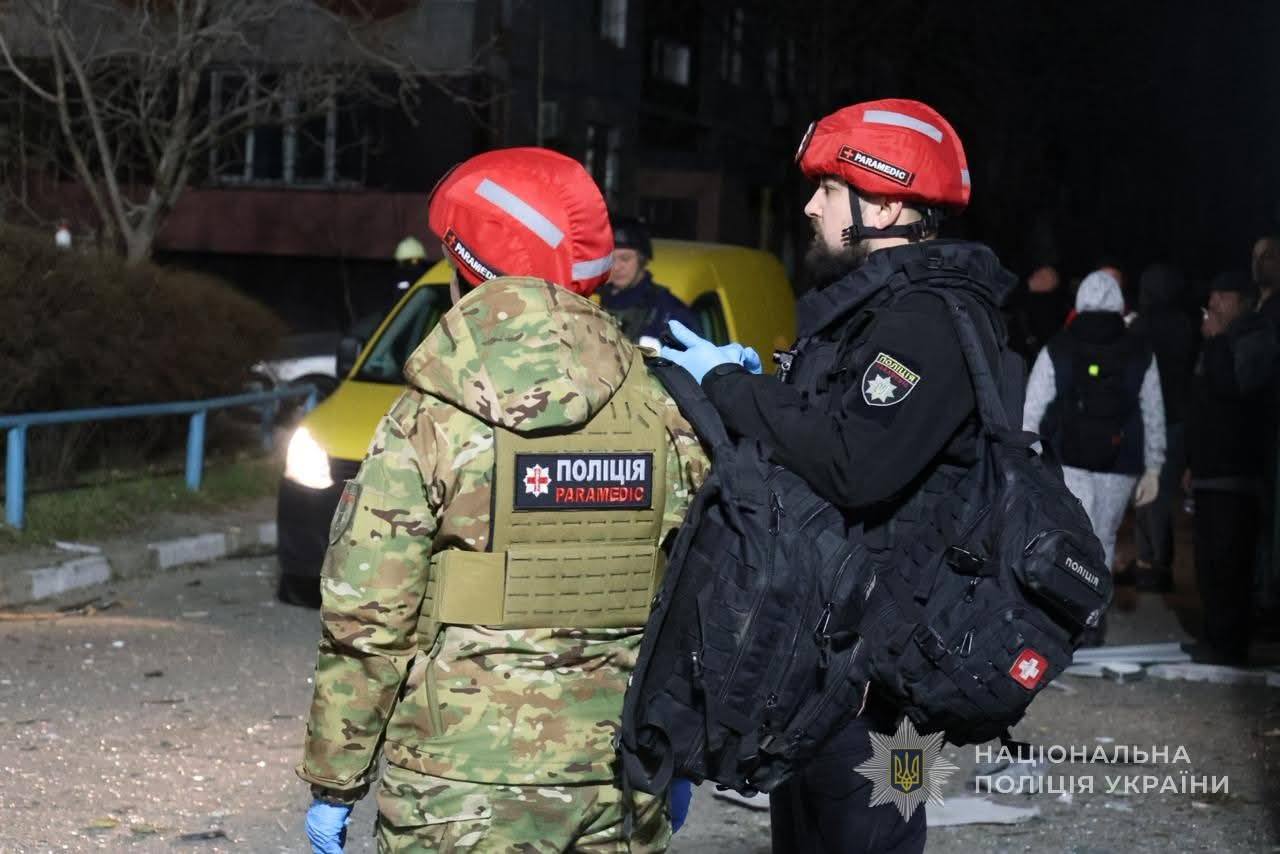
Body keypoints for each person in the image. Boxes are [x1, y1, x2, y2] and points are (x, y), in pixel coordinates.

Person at [297, 147, 709, 853]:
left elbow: (367, 620)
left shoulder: (431, 420)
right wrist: (685, 752)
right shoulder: (665, 411)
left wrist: (335, 781)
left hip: (455, 794)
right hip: (618, 784)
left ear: (469, 271)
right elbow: (702, 597)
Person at [660, 98, 1016, 854]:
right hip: (836, 660)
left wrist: (731, 387)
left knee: (883, 830)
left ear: (884, 205)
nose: (811, 206)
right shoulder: (880, 309)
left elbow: (854, 463)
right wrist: (770, 391)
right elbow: (834, 428)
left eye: (829, 188)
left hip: (893, 687)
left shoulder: (927, 318)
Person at [1023, 270, 1166, 580]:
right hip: (1121, 462)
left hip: (1066, 460)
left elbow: (1034, 406)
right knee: (1104, 538)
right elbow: (1153, 410)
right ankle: (1097, 602)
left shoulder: (1058, 346)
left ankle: (1067, 600)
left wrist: (1030, 456)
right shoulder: (1140, 351)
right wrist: (1154, 467)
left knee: (1070, 538)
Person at [1185, 271, 1278, 664]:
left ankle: (1229, 645)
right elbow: (1201, 404)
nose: (1214, 303)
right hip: (1210, 469)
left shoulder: (1257, 338)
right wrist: (1191, 462)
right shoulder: (1218, 340)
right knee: (1208, 561)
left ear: (1243, 301)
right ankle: (1214, 637)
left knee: (1230, 562)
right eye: (1213, 295)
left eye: (1223, 296)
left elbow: (1232, 391)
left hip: (1237, 471)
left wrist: (1218, 341)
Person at [1123, 263, 1196, 592]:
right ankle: (1151, 561)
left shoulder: (1141, 327)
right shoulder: (1184, 325)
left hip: (1150, 419)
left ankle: (1153, 564)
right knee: (1158, 495)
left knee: (1148, 495)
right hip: (1174, 419)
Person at [596, 216, 700, 346]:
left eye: (625, 258)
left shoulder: (669, 312)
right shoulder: (591, 301)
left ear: (641, 260)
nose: (616, 267)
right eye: (611, 259)